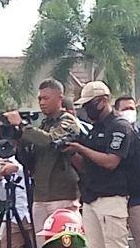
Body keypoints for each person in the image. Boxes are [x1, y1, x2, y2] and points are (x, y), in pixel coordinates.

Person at [62, 81, 136, 248]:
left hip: (112, 197)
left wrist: (80, 148)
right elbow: (87, 165)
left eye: (90, 104)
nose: (87, 109)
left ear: (103, 100)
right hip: (92, 197)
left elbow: (111, 161)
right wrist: (70, 151)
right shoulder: (94, 130)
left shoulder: (119, 127)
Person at [5, 80, 83, 222]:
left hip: (62, 195)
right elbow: (30, 159)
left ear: (60, 98)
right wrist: (18, 139)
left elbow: (50, 141)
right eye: (40, 98)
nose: (42, 102)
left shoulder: (68, 121)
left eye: (46, 98)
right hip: (40, 195)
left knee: (63, 242)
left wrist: (23, 125)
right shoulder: (43, 124)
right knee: (42, 243)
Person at [115, 95, 140, 248]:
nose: (129, 112)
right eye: (124, 109)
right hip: (116, 196)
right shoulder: (112, 134)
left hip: (139, 199)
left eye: (131, 108)